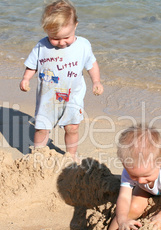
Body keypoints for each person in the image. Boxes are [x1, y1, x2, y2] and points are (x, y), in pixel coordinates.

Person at [19, 0, 103, 157]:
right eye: (55, 38)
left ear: (75, 25)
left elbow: (92, 64)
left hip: (72, 97)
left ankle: (70, 156)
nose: (61, 43)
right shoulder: (41, 46)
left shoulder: (83, 46)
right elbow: (32, 65)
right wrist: (26, 78)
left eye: (66, 37)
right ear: (46, 31)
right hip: (47, 98)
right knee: (41, 128)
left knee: (72, 128)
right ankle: (38, 153)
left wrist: (96, 81)